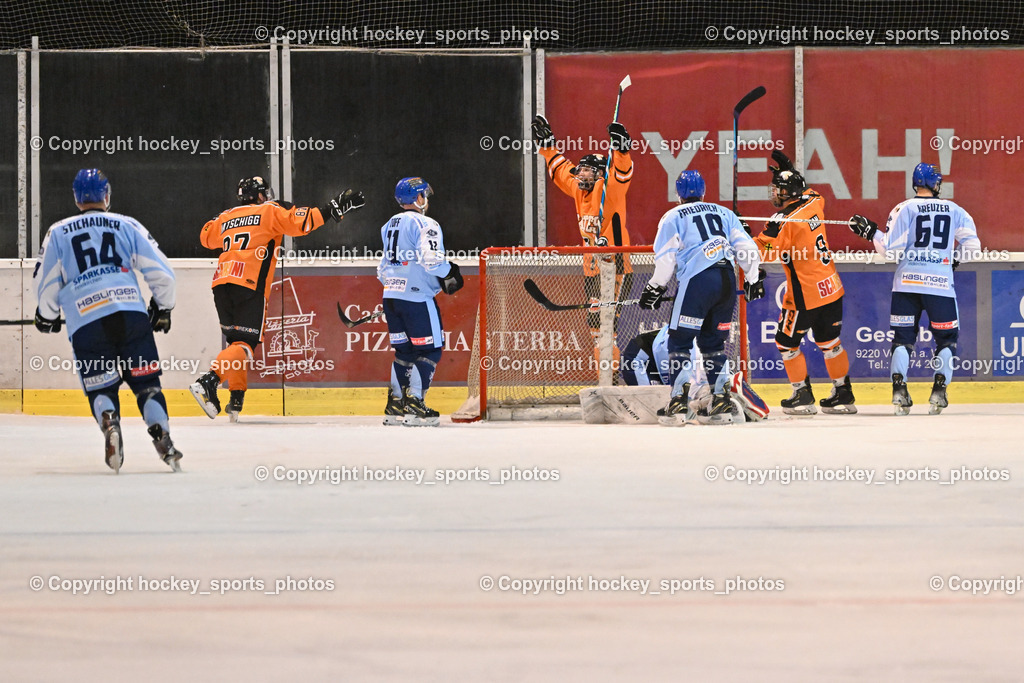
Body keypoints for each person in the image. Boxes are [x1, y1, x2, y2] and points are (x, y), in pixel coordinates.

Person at [34, 169, 180, 473]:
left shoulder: (58, 232)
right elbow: (162, 272)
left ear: (75, 198)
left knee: (101, 388)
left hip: (87, 321)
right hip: (130, 315)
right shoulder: (127, 224)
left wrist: (46, 315)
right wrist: (162, 307)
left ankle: (110, 423)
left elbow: (46, 282)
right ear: (107, 195)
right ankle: (162, 436)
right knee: (147, 384)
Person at [190, 177, 364, 420]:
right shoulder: (270, 209)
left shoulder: (225, 216)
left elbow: (205, 237)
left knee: (237, 343)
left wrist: (225, 218)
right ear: (261, 195)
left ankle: (236, 399)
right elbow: (301, 222)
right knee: (246, 345)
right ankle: (209, 380)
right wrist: (332, 209)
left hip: (222, 284)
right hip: (249, 285)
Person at [849, 163, 980, 415]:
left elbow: (890, 251)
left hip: (906, 285)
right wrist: (952, 260)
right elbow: (972, 246)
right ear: (934, 184)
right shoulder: (955, 210)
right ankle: (939, 392)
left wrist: (871, 232)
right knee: (946, 340)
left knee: (902, 339)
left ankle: (899, 391)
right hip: (940, 287)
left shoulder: (903, 208)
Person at [640, 170, 766, 425]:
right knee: (713, 344)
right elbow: (748, 248)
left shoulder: (672, 216)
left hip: (697, 281)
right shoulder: (724, 213)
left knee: (680, 340)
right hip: (726, 281)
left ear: (678, 193)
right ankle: (721, 401)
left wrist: (655, 287)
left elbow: (665, 257)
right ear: (704, 191)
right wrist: (752, 279)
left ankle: (678, 403)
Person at [752, 150, 855, 415]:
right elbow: (810, 191)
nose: (773, 194)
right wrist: (793, 173)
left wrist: (744, 237)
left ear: (788, 194)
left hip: (804, 296)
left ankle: (802, 394)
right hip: (831, 288)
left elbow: (758, 253)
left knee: (786, 343)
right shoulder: (813, 203)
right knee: (829, 342)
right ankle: (843, 393)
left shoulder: (784, 222)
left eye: (777, 190)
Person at [531, 114, 633, 362]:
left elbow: (622, 173)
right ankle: (604, 379)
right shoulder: (579, 188)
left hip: (616, 266)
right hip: (591, 268)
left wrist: (621, 149)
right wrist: (547, 146)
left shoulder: (609, 189)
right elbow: (561, 169)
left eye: (587, 171)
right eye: (581, 170)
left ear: (600, 175)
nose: (581, 175)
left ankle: (612, 381)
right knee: (595, 324)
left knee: (608, 327)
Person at [378, 177, 464, 427]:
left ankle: (395, 406)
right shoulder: (426, 223)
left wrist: (396, 285)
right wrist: (449, 272)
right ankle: (415, 404)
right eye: (424, 194)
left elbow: (382, 268)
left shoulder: (387, 225)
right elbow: (432, 260)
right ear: (418, 198)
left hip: (391, 296)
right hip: (416, 298)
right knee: (430, 350)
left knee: (404, 351)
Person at [620, 324, 769, 422]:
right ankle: (718, 398)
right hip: (644, 356)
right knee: (702, 385)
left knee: (675, 396)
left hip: (664, 349)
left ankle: (709, 398)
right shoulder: (703, 343)